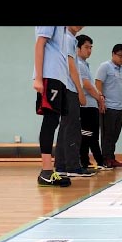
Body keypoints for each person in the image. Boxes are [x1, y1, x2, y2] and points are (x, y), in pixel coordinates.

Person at [32, 26, 72, 186]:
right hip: (49, 75)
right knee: (50, 121)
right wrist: (39, 78)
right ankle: (46, 171)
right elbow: (39, 43)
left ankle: (50, 170)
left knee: (55, 121)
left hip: (59, 77)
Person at [55, 26, 93, 178]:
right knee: (72, 128)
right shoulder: (69, 39)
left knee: (65, 127)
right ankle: (72, 166)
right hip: (70, 89)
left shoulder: (65, 38)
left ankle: (61, 166)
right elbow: (71, 67)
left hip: (64, 88)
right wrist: (80, 91)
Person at [75, 34, 110, 171]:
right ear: (77, 48)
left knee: (93, 135)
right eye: (86, 47)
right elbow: (87, 85)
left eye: (91, 47)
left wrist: (99, 97)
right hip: (85, 106)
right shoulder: (77, 64)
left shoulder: (85, 65)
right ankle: (84, 162)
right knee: (86, 136)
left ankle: (99, 162)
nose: (89, 50)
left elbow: (91, 86)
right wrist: (99, 98)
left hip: (91, 105)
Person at [95, 43, 122, 168]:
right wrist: (101, 101)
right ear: (113, 54)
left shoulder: (121, 69)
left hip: (119, 107)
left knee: (115, 134)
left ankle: (111, 157)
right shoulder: (105, 66)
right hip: (108, 106)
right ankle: (105, 159)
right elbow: (98, 83)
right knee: (107, 134)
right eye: (120, 56)